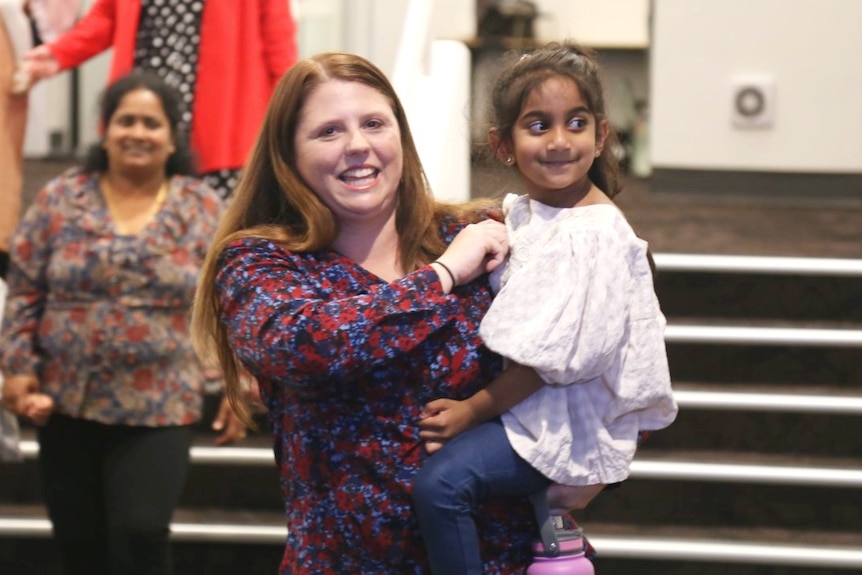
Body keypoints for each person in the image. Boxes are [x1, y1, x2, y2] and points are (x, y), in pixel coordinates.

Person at [190, 50, 596, 574]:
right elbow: (307, 347)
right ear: (288, 154)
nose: (357, 145)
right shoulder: (261, 262)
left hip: (506, 557)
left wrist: (594, 466)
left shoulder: (483, 229)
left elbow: (603, 327)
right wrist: (442, 276)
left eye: (374, 123)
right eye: (328, 132)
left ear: (400, 136)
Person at [410, 41, 679, 575]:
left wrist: (470, 411)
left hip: (563, 420)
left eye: (575, 123)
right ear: (503, 144)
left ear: (601, 135)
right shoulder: (534, 213)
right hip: (536, 408)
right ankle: (558, 541)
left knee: (441, 486)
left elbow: (545, 361)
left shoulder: (593, 234)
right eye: (538, 126)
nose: (559, 141)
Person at [0, 71, 245, 575]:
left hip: (160, 401)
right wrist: (17, 366)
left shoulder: (201, 207)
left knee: (140, 532)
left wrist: (237, 383)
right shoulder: (61, 197)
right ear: (104, 129)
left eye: (151, 123)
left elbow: (232, 302)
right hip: (67, 399)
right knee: (79, 541)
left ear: (172, 137)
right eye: (125, 120)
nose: (137, 132)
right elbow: (25, 285)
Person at [20, 0, 298, 199]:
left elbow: (278, 42)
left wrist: (288, 119)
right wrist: (58, 54)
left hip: (222, 130)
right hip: (144, 122)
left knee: (217, 245)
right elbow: (107, 15)